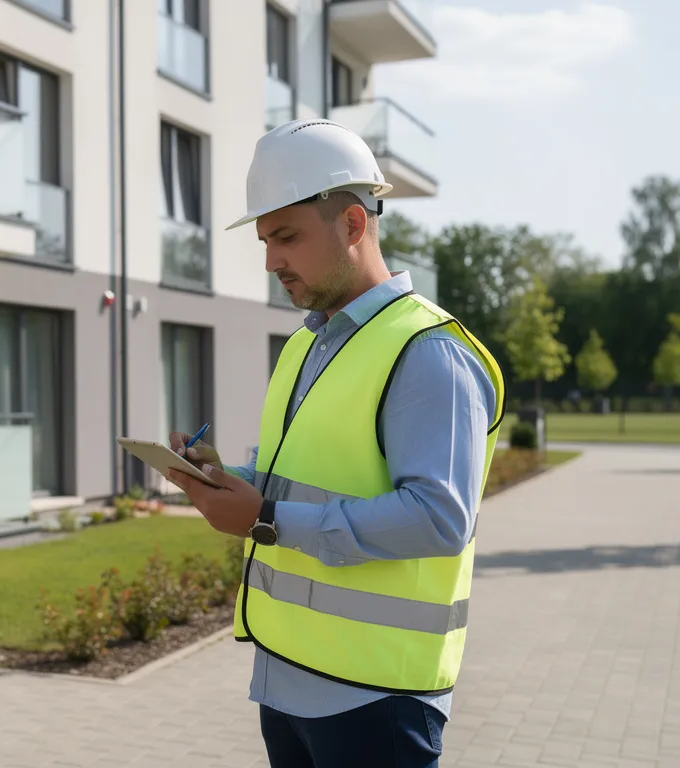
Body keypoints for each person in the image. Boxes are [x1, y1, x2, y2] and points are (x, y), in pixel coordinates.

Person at [165, 119, 506, 768]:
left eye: (286, 237)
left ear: (353, 224)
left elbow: (439, 520)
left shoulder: (430, 353)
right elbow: (293, 476)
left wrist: (263, 519)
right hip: (286, 673)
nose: (270, 261)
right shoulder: (304, 344)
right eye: (265, 240)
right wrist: (222, 478)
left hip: (377, 697)